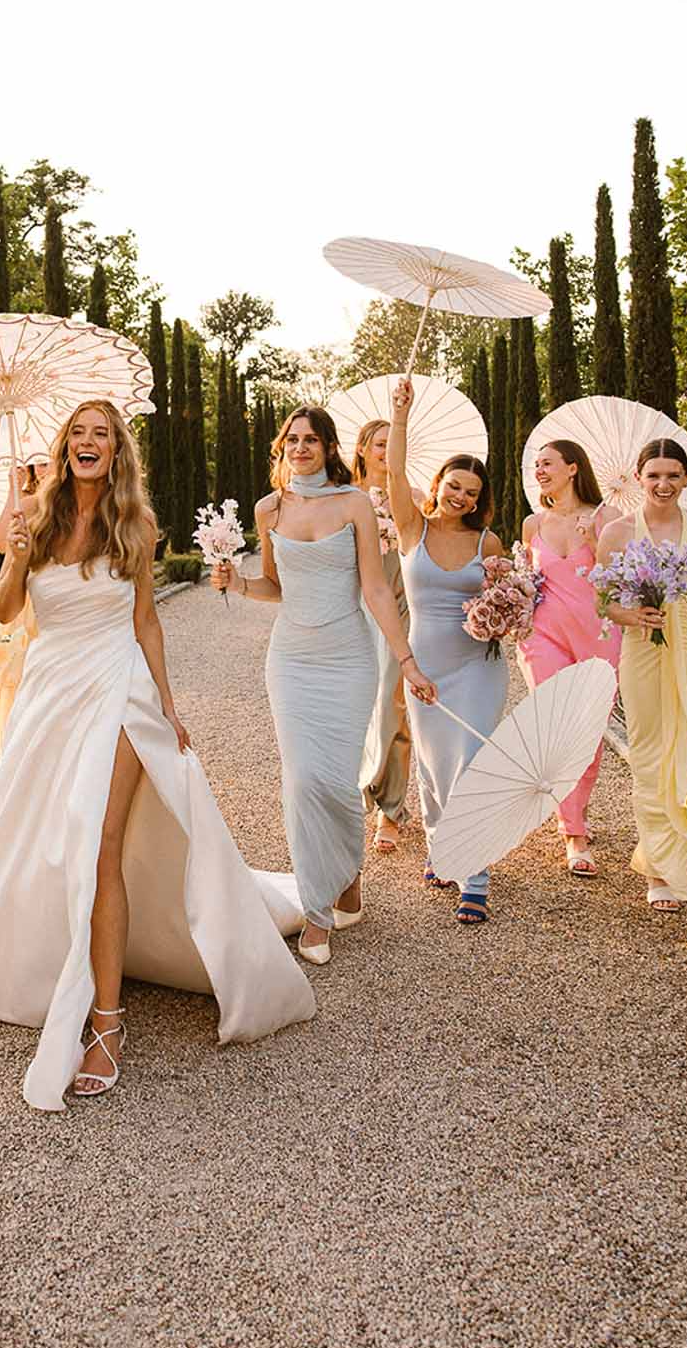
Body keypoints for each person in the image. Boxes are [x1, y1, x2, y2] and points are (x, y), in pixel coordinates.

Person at [0, 400, 314, 1110]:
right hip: (51, 691)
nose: (89, 444)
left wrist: (168, 702)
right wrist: (19, 554)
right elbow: (1, 612)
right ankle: (59, 963)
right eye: (79, 435)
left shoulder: (137, 525)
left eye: (102, 435)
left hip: (120, 685)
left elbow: (147, 618)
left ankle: (106, 1021)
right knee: (51, 837)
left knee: (101, 840)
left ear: (117, 452)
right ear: (64, 449)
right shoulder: (35, 516)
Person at [212, 406, 436, 966]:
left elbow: (376, 590)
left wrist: (405, 660)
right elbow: (274, 585)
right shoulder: (269, 508)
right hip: (290, 660)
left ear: (329, 446)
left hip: (349, 658)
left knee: (335, 781)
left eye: (312, 439)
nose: (302, 447)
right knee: (301, 781)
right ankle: (317, 911)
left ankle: (347, 872)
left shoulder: (355, 503)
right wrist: (236, 583)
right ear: (281, 446)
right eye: (293, 438)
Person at [594, 440, 687, 949]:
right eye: (654, 474)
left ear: (685, 479)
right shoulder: (615, 532)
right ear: (639, 477)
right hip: (644, 649)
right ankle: (659, 864)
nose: (663, 484)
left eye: (673, 475)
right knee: (652, 756)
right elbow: (604, 602)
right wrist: (631, 614)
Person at [387, 378, 507, 926]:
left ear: (479, 501)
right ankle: (441, 848)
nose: (461, 497)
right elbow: (392, 474)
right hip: (425, 663)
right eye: (454, 486)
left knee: (472, 761)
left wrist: (508, 612)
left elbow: (508, 601)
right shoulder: (412, 527)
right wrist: (401, 416)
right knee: (433, 769)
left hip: (478, 665)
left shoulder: (489, 544)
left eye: (471, 493)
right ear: (438, 484)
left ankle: (475, 873)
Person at [520, 440, 621, 876]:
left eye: (548, 463)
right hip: (543, 637)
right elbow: (527, 582)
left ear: (573, 468)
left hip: (598, 636)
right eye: (537, 465)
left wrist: (597, 542)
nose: (540, 471)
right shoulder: (531, 524)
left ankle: (576, 808)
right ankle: (573, 831)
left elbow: (622, 582)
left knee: (587, 730)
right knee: (556, 724)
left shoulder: (606, 518)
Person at [350, 417, 415, 853]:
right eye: (378, 443)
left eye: (393, 444)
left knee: (394, 707)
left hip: (401, 609)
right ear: (362, 450)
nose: (385, 451)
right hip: (353, 610)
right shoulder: (345, 499)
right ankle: (355, 793)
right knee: (354, 709)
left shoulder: (414, 500)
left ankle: (390, 809)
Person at [0, 459, 48, 747]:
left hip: (57, 604)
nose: (44, 467)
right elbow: (2, 543)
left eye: (48, 460)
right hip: (25, 604)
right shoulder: (25, 503)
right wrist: (12, 488)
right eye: (37, 463)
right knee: (20, 681)